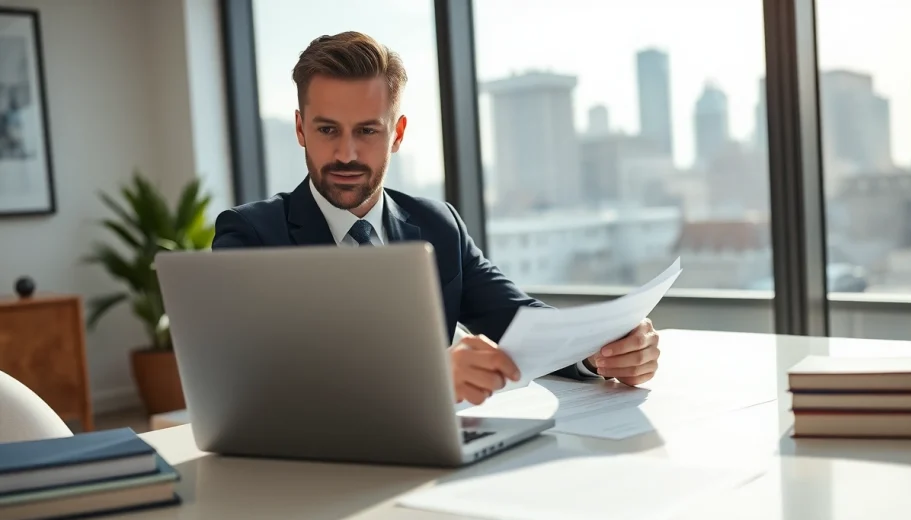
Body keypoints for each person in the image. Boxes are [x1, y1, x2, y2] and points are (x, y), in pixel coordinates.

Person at [212, 31, 661, 405]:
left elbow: (521, 323)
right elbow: (256, 376)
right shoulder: (252, 235)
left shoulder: (438, 225)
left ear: (398, 134)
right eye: (327, 129)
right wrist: (424, 376)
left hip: (437, 467)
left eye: (367, 130)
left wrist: (603, 349)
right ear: (300, 129)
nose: (345, 154)